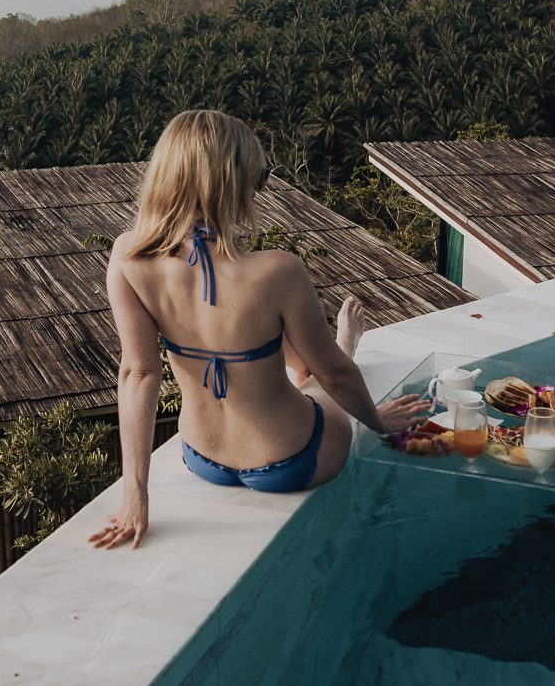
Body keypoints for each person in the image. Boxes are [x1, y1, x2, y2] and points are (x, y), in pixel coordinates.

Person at [90, 109, 429, 550]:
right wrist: (380, 422)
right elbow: (336, 377)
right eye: (257, 180)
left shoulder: (127, 257)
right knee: (316, 381)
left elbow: (138, 375)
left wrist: (134, 494)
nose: (257, 191)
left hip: (201, 456)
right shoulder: (278, 270)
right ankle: (345, 341)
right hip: (292, 459)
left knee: (261, 337)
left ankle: (320, 351)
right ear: (230, 183)